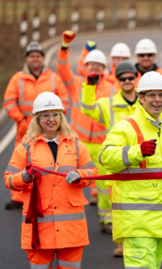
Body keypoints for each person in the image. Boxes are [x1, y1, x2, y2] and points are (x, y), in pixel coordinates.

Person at [99, 71, 162, 269]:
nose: (157, 100)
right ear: (141, 97)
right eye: (152, 95)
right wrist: (137, 152)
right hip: (136, 222)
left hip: (160, 221)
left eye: (161, 95)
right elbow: (105, 157)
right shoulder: (126, 127)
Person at [4, 92, 97, 268]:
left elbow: (92, 173)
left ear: (61, 117)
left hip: (71, 231)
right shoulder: (25, 147)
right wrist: (23, 177)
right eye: (45, 115)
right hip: (39, 229)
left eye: (55, 114)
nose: (51, 119)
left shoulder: (76, 144)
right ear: (37, 119)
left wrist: (80, 176)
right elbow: (8, 180)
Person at [3, 41, 69, 210]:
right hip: (25, 127)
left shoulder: (54, 78)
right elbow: (9, 102)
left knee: (46, 159)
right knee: (20, 161)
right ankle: (18, 197)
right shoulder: (17, 78)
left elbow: (65, 100)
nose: (35, 59)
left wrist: (55, 119)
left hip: (49, 128)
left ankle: (44, 193)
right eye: (32, 56)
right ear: (27, 59)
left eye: (38, 56)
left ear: (42, 58)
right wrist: (20, 119)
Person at [57, 30, 116, 206]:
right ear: (86, 66)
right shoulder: (76, 84)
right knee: (71, 179)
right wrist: (65, 46)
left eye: (98, 65)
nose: (95, 67)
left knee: (105, 184)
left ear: (103, 68)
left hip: (102, 143)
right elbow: (62, 68)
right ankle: (68, 210)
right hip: (77, 142)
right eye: (91, 64)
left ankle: (105, 219)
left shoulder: (112, 89)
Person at [134, 38, 162, 111]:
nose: (145, 58)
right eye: (142, 55)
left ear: (154, 56)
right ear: (137, 56)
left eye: (149, 55)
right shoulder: (129, 76)